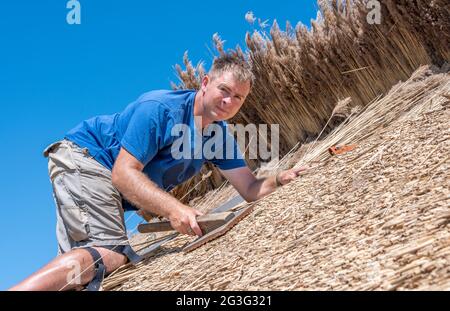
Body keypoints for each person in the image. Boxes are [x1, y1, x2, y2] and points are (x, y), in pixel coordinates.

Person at [10, 53, 307, 291]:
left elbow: (249, 188)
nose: (229, 101)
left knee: (86, 271)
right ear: (205, 83)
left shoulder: (217, 136)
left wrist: (280, 178)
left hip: (99, 172)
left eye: (239, 97)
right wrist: (174, 209)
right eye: (224, 90)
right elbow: (123, 174)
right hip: (86, 158)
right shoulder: (160, 109)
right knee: (111, 252)